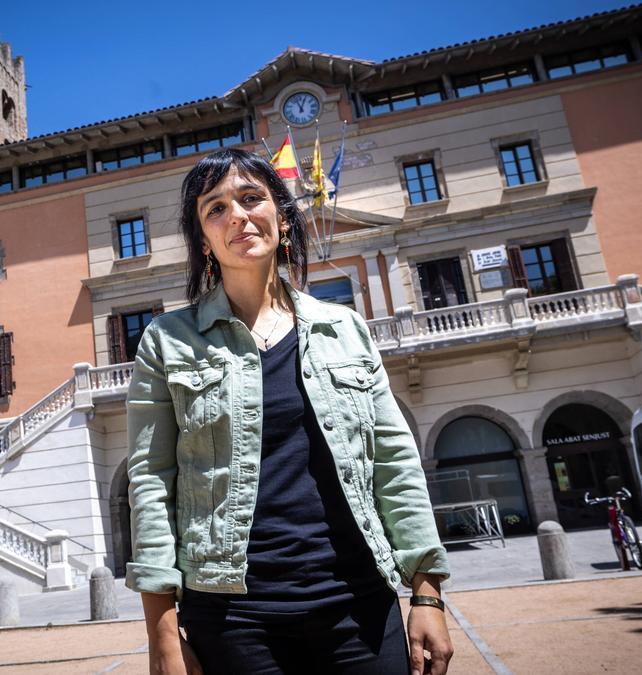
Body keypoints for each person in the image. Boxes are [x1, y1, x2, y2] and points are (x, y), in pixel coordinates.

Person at [126, 148, 452, 674]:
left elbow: (394, 463)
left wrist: (428, 593)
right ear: (204, 240)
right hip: (233, 619)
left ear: (280, 215)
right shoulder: (167, 342)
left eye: (251, 198)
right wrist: (162, 635)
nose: (237, 215)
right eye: (216, 208)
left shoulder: (344, 329)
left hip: (360, 608)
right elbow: (150, 483)